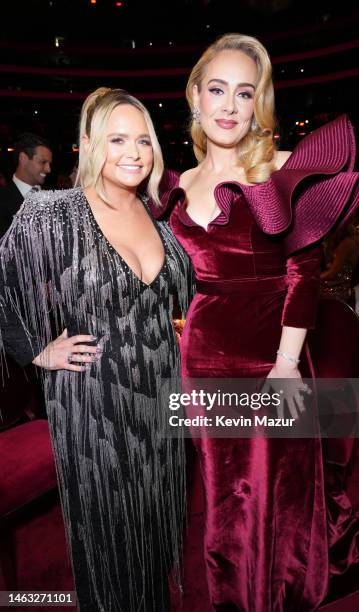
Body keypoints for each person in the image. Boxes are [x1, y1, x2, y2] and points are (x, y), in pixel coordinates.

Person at [151, 34, 359, 611]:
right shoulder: (172, 185)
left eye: (245, 93)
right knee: (224, 487)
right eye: (217, 89)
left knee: (279, 483)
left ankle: (279, 585)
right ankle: (233, 593)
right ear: (195, 95)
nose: (229, 106)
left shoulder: (280, 168)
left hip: (276, 353)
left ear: (257, 103)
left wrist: (288, 364)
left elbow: (304, 270)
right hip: (204, 355)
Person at [0, 88, 194, 611]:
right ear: (88, 144)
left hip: (160, 403)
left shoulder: (162, 223)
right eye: (117, 139)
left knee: (155, 533)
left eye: (143, 140)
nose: (133, 152)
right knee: (111, 546)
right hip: (95, 405)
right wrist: (36, 351)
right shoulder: (54, 213)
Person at [0, 132, 52, 238]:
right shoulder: (2, 199)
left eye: (49, 164)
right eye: (43, 162)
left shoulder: (54, 196)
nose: (48, 169)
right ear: (23, 158)